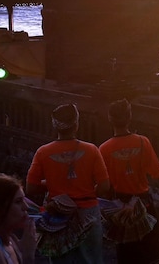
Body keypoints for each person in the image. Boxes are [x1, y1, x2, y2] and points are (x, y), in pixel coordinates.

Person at [26, 103, 110, 263]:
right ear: (76, 124)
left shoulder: (43, 152)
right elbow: (105, 186)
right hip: (88, 214)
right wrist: (88, 193)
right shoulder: (92, 150)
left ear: (55, 126)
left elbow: (31, 187)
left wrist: (51, 183)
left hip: (58, 216)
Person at [98, 98, 159, 264]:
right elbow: (158, 173)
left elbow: (103, 185)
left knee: (127, 254)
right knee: (152, 252)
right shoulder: (143, 142)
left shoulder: (104, 149)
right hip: (144, 205)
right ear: (130, 117)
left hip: (120, 210)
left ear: (109, 118)